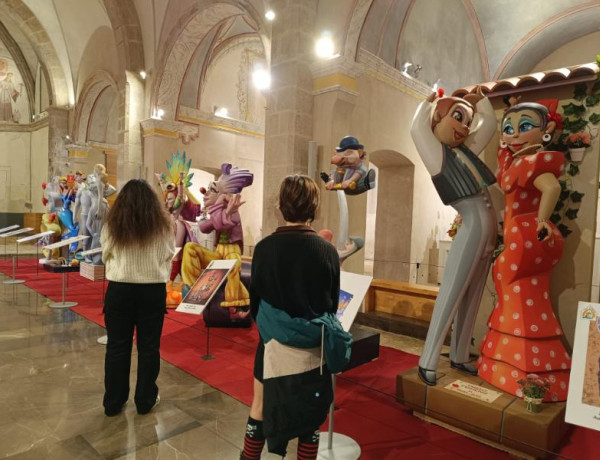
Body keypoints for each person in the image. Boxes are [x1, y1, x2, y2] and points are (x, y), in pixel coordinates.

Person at [241, 175, 341, 460]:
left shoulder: (264, 249)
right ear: (314, 207)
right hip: (312, 347)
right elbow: (331, 305)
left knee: (259, 406)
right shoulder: (327, 251)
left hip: (272, 345)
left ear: (280, 205)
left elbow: (256, 303)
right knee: (311, 418)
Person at [478, 99, 571, 401]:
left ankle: (521, 366)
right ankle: (520, 366)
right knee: (518, 295)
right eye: (509, 129)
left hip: (527, 234)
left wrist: (542, 219)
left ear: (548, 129)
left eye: (525, 126)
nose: (515, 134)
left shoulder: (535, 162)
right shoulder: (516, 162)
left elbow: (552, 188)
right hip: (520, 236)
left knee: (515, 292)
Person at [410, 87, 497, 385]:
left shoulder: (465, 150)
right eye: (458, 117)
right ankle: (428, 360)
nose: (464, 127)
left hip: (487, 234)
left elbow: (490, 123)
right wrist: (429, 99)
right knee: (451, 294)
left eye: (468, 121)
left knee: (472, 297)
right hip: (472, 227)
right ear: (438, 118)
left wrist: (479, 101)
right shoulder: (436, 153)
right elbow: (416, 127)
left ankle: (460, 355)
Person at [101, 179, 175, 416]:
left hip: (120, 289)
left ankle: (113, 402)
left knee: (117, 346)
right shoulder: (164, 226)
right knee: (149, 347)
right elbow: (168, 254)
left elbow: (105, 254)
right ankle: (145, 400)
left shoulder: (113, 225)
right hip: (152, 290)